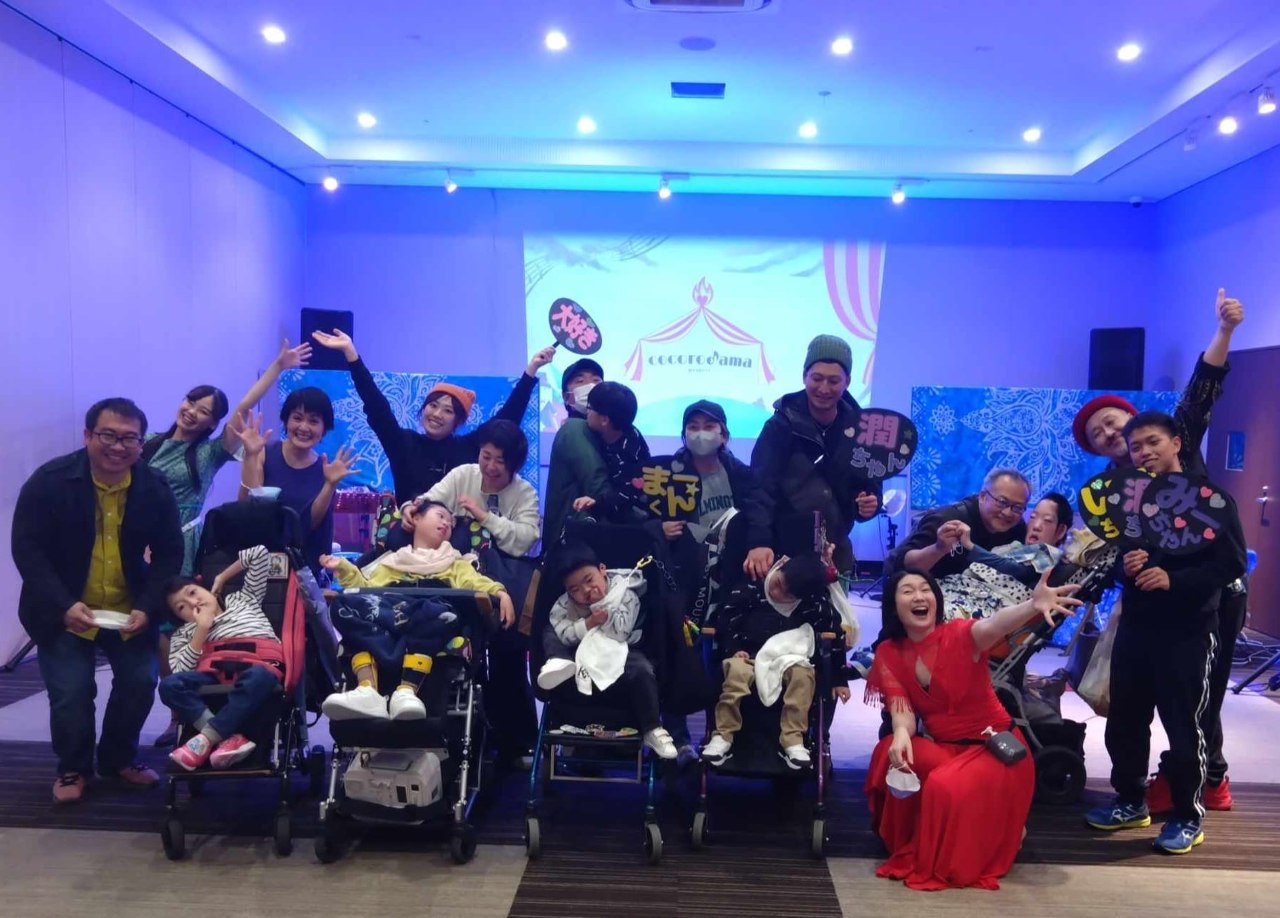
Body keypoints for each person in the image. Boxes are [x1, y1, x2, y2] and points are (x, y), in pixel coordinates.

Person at [1072, 290, 1246, 812]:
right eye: (1099, 434)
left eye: (1113, 422)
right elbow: (1111, 549)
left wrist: (1224, 331)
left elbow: (1202, 388)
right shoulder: (1113, 489)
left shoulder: (1179, 442)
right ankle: (1145, 791)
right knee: (1136, 706)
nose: (1110, 434)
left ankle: (1209, 781)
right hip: (1148, 604)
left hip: (1211, 595)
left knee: (1199, 697)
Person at [1084, 411, 1246, 855]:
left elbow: (1231, 564)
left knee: (1185, 727)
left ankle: (1188, 816)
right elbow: (1118, 562)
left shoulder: (1210, 500)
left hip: (1189, 630)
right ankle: (1130, 800)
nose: (1144, 452)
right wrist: (1126, 566)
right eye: (1136, 446)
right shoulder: (1129, 500)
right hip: (1136, 627)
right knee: (1125, 722)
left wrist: (1175, 580)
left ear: (1176, 443)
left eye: (1153, 442)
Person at [864, 568, 1082, 890]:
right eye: (907, 591)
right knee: (890, 753)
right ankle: (923, 838)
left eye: (925, 589)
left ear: (936, 600)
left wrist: (1032, 605)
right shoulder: (889, 652)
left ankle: (996, 832)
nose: (919, 596)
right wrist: (899, 734)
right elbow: (902, 712)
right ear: (894, 606)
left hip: (994, 750)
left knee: (942, 785)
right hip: (946, 748)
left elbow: (994, 625)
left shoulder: (961, 634)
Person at [11, 398, 183, 803]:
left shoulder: (154, 487)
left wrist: (148, 605)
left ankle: (118, 759)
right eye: (108, 435)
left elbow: (169, 554)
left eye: (129, 438)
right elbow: (28, 550)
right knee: (72, 692)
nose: (118, 447)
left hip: (128, 607)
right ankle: (73, 767)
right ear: (88, 435)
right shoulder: (50, 482)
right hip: (63, 608)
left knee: (140, 682)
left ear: (141, 443)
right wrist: (62, 605)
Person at [143, 338, 311, 747]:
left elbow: (242, 410)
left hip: (180, 544)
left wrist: (278, 366)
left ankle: (181, 716)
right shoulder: (148, 443)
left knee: (177, 624)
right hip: (140, 542)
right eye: (191, 402)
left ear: (212, 423)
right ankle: (181, 707)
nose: (193, 412)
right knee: (151, 629)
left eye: (205, 411)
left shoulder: (207, 454)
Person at [412, 419, 541, 765]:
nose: (491, 466)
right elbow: (429, 502)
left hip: (503, 584)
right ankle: (457, 738)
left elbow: (525, 540)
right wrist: (414, 510)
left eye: (500, 460)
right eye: (486, 456)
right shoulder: (462, 475)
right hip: (455, 578)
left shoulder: (524, 493)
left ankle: (516, 744)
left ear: (514, 464)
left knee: (508, 658)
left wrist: (484, 517)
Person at [320, 500, 516, 721]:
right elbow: (365, 588)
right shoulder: (391, 561)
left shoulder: (457, 563)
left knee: (444, 614)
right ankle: (367, 690)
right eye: (440, 515)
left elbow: (477, 583)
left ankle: (406, 690)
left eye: (450, 523)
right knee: (341, 604)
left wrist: (501, 593)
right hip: (389, 613)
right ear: (416, 518)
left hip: (428, 615)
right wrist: (343, 567)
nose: (446, 523)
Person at [311, 328, 555, 504]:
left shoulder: (469, 448)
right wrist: (351, 355)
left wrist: (530, 371)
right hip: (409, 534)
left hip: (456, 539)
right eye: (433, 406)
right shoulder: (403, 443)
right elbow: (377, 406)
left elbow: (508, 418)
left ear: (458, 421)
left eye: (448, 411)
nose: (437, 414)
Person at [659, 399, 774, 763]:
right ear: (683, 434)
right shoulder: (667, 472)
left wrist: (759, 543)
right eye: (693, 426)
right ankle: (677, 740)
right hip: (681, 576)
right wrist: (659, 528)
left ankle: (722, 734)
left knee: (726, 654)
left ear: (724, 435)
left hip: (729, 576)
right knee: (678, 651)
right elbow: (644, 513)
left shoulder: (739, 473)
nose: (701, 433)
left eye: (709, 426)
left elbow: (759, 510)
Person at [701, 552, 851, 770]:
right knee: (736, 672)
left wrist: (839, 679)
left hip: (790, 659)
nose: (776, 593)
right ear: (781, 567)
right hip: (746, 655)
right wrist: (733, 649)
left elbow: (834, 635)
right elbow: (725, 621)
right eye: (778, 583)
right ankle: (723, 735)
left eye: (787, 594)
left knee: (803, 676)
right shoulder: (752, 587)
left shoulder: (815, 603)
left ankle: (793, 739)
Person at [751, 334, 880, 578]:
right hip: (784, 548)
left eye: (834, 381)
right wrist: (759, 540)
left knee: (836, 604)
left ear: (847, 381)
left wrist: (870, 504)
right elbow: (760, 487)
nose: (824, 388)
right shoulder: (781, 425)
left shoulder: (862, 429)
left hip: (837, 550)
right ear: (804, 376)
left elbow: (869, 484)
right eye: (817, 378)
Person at [534, 543, 678, 760]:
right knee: (549, 631)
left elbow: (621, 632)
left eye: (589, 580)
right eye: (574, 590)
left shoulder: (626, 592)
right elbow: (563, 632)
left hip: (621, 647)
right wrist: (588, 623)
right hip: (579, 649)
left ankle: (652, 728)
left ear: (602, 569)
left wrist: (603, 611)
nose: (585, 591)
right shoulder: (564, 604)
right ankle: (557, 661)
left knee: (641, 668)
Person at [160, 545, 282, 771]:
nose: (193, 603)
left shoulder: (244, 599)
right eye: (182, 607)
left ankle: (206, 739)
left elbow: (260, 553)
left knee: (260, 676)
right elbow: (180, 671)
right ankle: (228, 738)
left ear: (205, 588)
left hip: (257, 669)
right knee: (169, 686)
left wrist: (222, 577)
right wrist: (202, 628)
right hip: (215, 676)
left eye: (192, 592)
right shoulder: (184, 633)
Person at [237, 390, 358, 574]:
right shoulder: (265, 453)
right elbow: (248, 506)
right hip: (259, 564)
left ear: (324, 429)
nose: (304, 427)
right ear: (286, 421)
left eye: (313, 421)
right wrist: (251, 456)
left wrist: (330, 484)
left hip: (302, 570)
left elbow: (312, 524)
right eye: (297, 418)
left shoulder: (325, 469)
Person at [889, 468, 1031, 578]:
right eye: (1002, 502)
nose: (1008, 513)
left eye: (1018, 507)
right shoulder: (948, 520)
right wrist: (938, 549)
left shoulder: (1017, 528)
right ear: (982, 496)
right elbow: (904, 566)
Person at [572, 381, 651, 521]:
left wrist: (597, 501)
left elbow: (627, 494)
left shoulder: (628, 453)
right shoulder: (615, 429)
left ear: (604, 420)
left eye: (589, 408)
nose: (586, 412)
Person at [561, 357, 604, 422]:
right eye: (580, 381)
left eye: (596, 380)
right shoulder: (571, 427)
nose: (590, 384)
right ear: (566, 397)